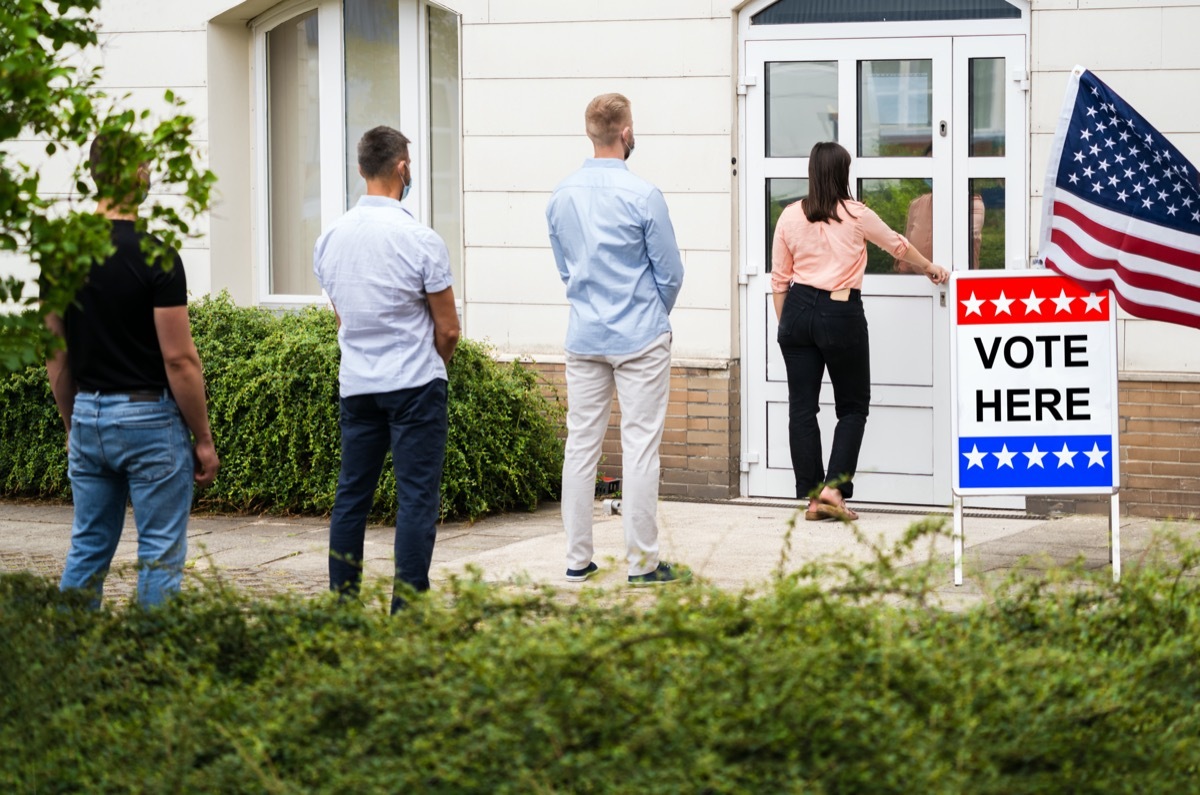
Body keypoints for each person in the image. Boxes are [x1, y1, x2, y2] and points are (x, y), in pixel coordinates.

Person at [46, 132, 220, 609]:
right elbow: (179, 359)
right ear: (139, 175)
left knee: (88, 546)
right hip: (149, 422)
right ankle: (150, 668)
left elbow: (55, 355)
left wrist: (73, 423)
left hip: (89, 416)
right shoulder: (157, 256)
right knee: (160, 554)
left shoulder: (62, 257)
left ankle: (68, 658)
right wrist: (202, 437)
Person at [313, 125, 460, 613]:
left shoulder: (329, 238)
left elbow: (341, 314)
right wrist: (432, 368)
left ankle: (343, 605)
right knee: (416, 499)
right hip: (415, 384)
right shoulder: (420, 239)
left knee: (351, 496)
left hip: (357, 386)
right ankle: (408, 612)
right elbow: (449, 329)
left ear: (360, 169)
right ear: (403, 168)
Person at [546, 93, 687, 586]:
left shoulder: (561, 195)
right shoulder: (643, 195)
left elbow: (565, 269)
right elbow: (670, 273)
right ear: (626, 133)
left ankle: (576, 561)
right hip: (639, 336)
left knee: (580, 446)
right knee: (640, 447)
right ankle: (642, 565)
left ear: (591, 133)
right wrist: (651, 316)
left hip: (584, 334)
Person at [772, 141, 948, 522]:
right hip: (840, 310)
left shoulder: (789, 216)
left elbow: (779, 280)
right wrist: (930, 267)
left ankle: (814, 498)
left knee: (802, 408)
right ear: (841, 173)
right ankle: (834, 490)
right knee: (852, 406)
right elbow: (899, 247)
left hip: (797, 311)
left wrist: (786, 327)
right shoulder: (855, 214)